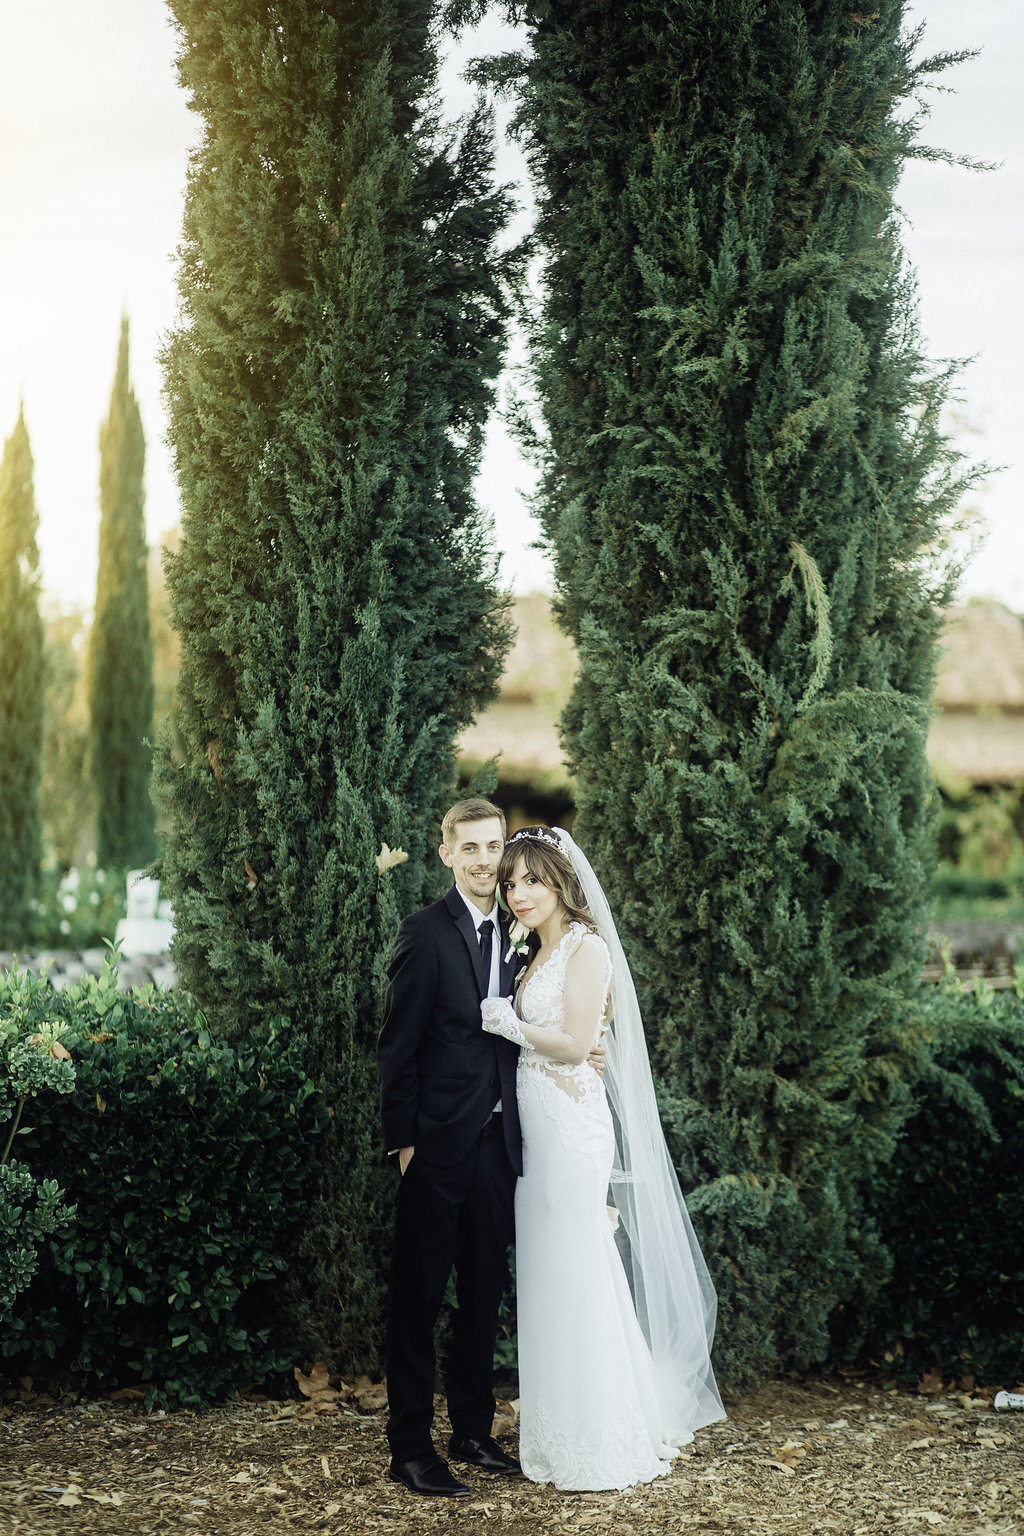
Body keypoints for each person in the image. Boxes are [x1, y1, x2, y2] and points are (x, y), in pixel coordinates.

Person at [480, 825, 724, 1491]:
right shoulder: (529, 951)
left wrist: (507, 1022)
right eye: (511, 883)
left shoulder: (587, 950)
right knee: (547, 1270)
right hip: (535, 1127)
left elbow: (575, 1042)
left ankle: (602, 1435)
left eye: (532, 879)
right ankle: (558, 1430)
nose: (519, 893)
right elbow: (564, 1038)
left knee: (579, 1264)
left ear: (562, 882)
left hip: (571, 1127)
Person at [377, 797, 522, 1497]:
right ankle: (409, 1446)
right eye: (471, 848)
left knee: (483, 1295)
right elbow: (395, 1050)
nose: (485, 861)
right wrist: (404, 1145)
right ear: (446, 854)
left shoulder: (522, 930)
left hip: (499, 1145)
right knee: (419, 1296)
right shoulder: (424, 935)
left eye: (494, 846)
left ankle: (472, 1429)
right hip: (435, 1147)